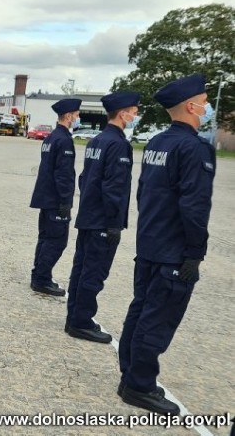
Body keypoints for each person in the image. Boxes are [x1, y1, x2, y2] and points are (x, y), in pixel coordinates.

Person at [118, 74, 215, 415]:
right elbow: (195, 205)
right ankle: (139, 385)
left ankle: (130, 373)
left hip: (151, 243)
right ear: (192, 107)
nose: (208, 108)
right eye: (205, 101)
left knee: (141, 309)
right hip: (173, 249)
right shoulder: (194, 148)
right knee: (157, 318)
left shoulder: (158, 143)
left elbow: (145, 194)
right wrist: (195, 252)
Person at [65, 91, 138, 344]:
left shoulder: (97, 141)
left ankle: (74, 316)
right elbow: (114, 187)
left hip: (89, 215)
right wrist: (113, 223)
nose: (136, 114)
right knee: (93, 273)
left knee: (81, 269)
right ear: (122, 113)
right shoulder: (118, 144)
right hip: (102, 221)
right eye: (134, 110)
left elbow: (85, 179)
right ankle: (81, 321)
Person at [29, 98, 82, 296]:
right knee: (56, 241)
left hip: (46, 197)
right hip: (55, 200)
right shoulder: (63, 140)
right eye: (76, 115)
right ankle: (41, 279)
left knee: (45, 238)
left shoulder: (51, 137)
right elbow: (64, 175)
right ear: (68, 116)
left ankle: (40, 275)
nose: (78, 118)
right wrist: (65, 201)